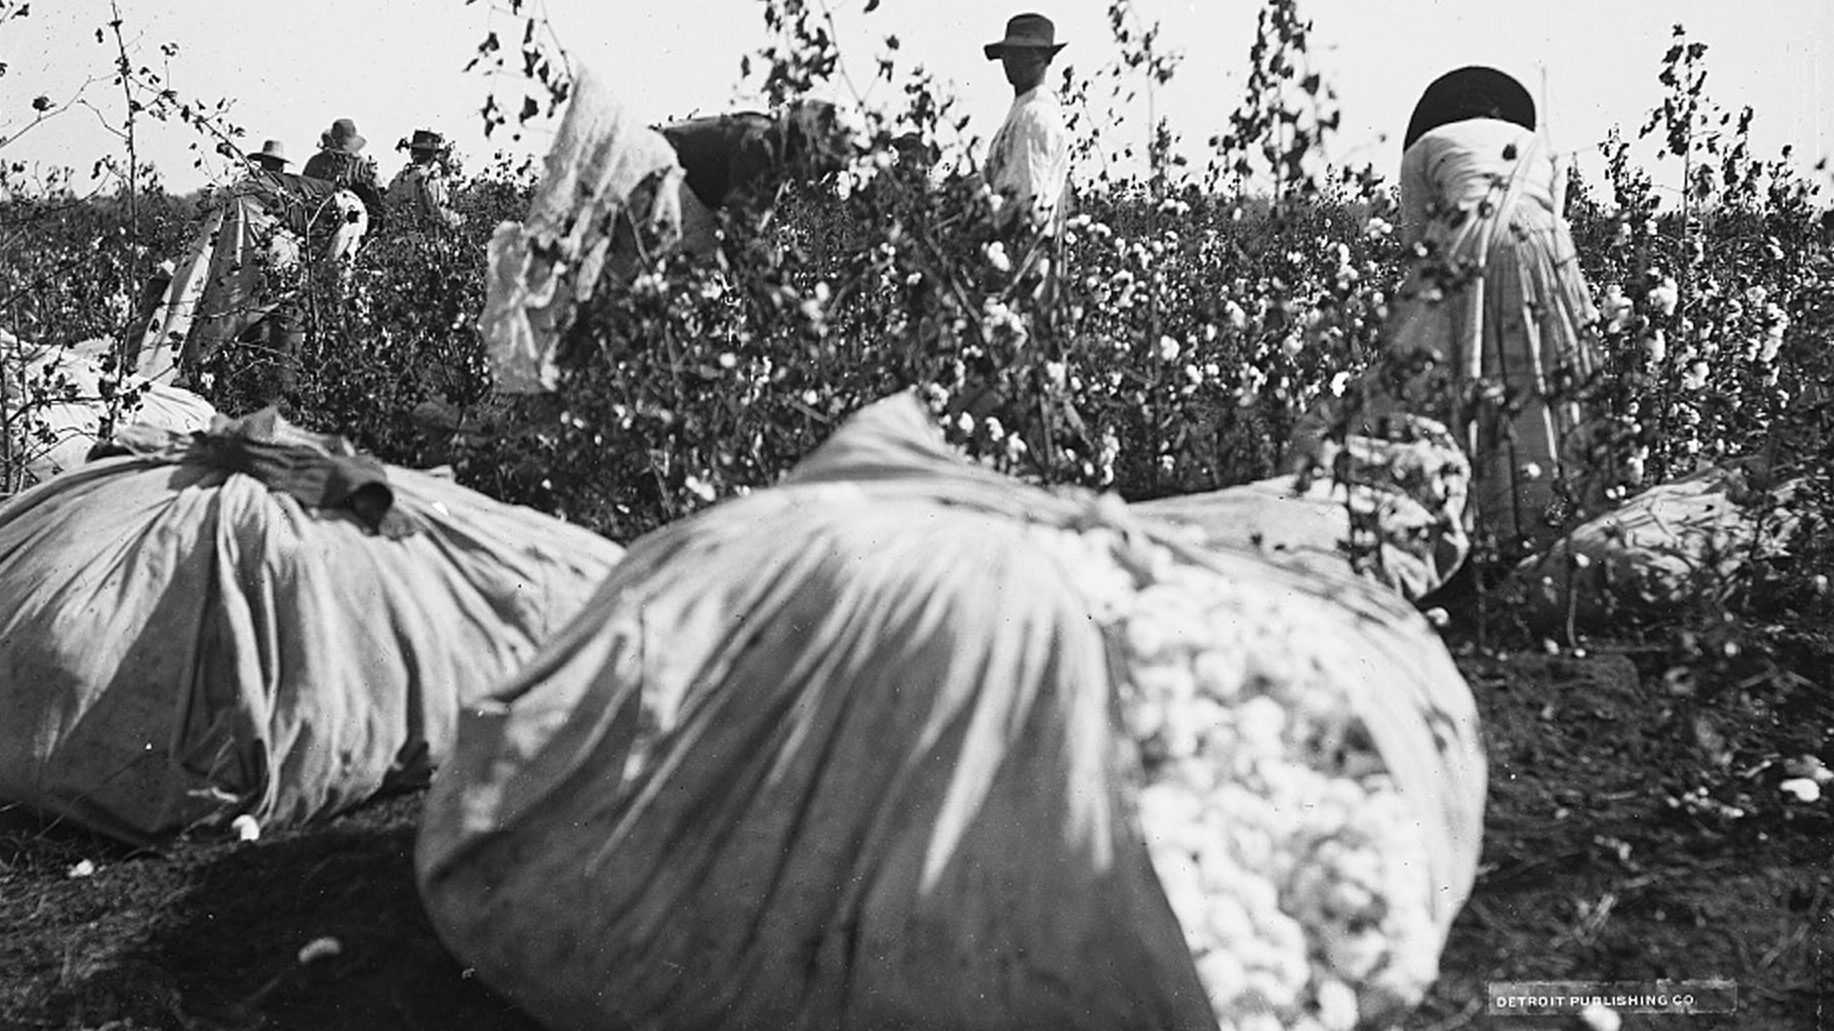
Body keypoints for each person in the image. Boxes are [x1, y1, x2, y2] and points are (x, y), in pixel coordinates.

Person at [1297, 66, 1606, 554]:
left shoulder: (1425, 147)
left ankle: (1470, 510)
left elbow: (1417, 241)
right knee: (1544, 372)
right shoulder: (1537, 145)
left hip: (1467, 235)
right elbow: (1553, 217)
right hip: (1547, 246)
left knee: (1453, 365)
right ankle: (1547, 513)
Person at [983, 13, 1070, 238]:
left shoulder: (1036, 116)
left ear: (1044, 59)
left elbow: (1025, 200)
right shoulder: (1022, 110)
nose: (1012, 62)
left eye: (1024, 54)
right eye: (1009, 54)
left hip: (1020, 249)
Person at [302, 117, 385, 226]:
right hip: (317, 220)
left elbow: (376, 202)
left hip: (354, 222)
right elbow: (304, 191)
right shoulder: (316, 163)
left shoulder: (362, 166)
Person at [386, 129, 464, 231]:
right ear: (432, 155)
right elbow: (439, 213)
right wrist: (458, 220)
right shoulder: (430, 179)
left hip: (403, 238)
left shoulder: (399, 178)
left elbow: (390, 207)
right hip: (427, 238)